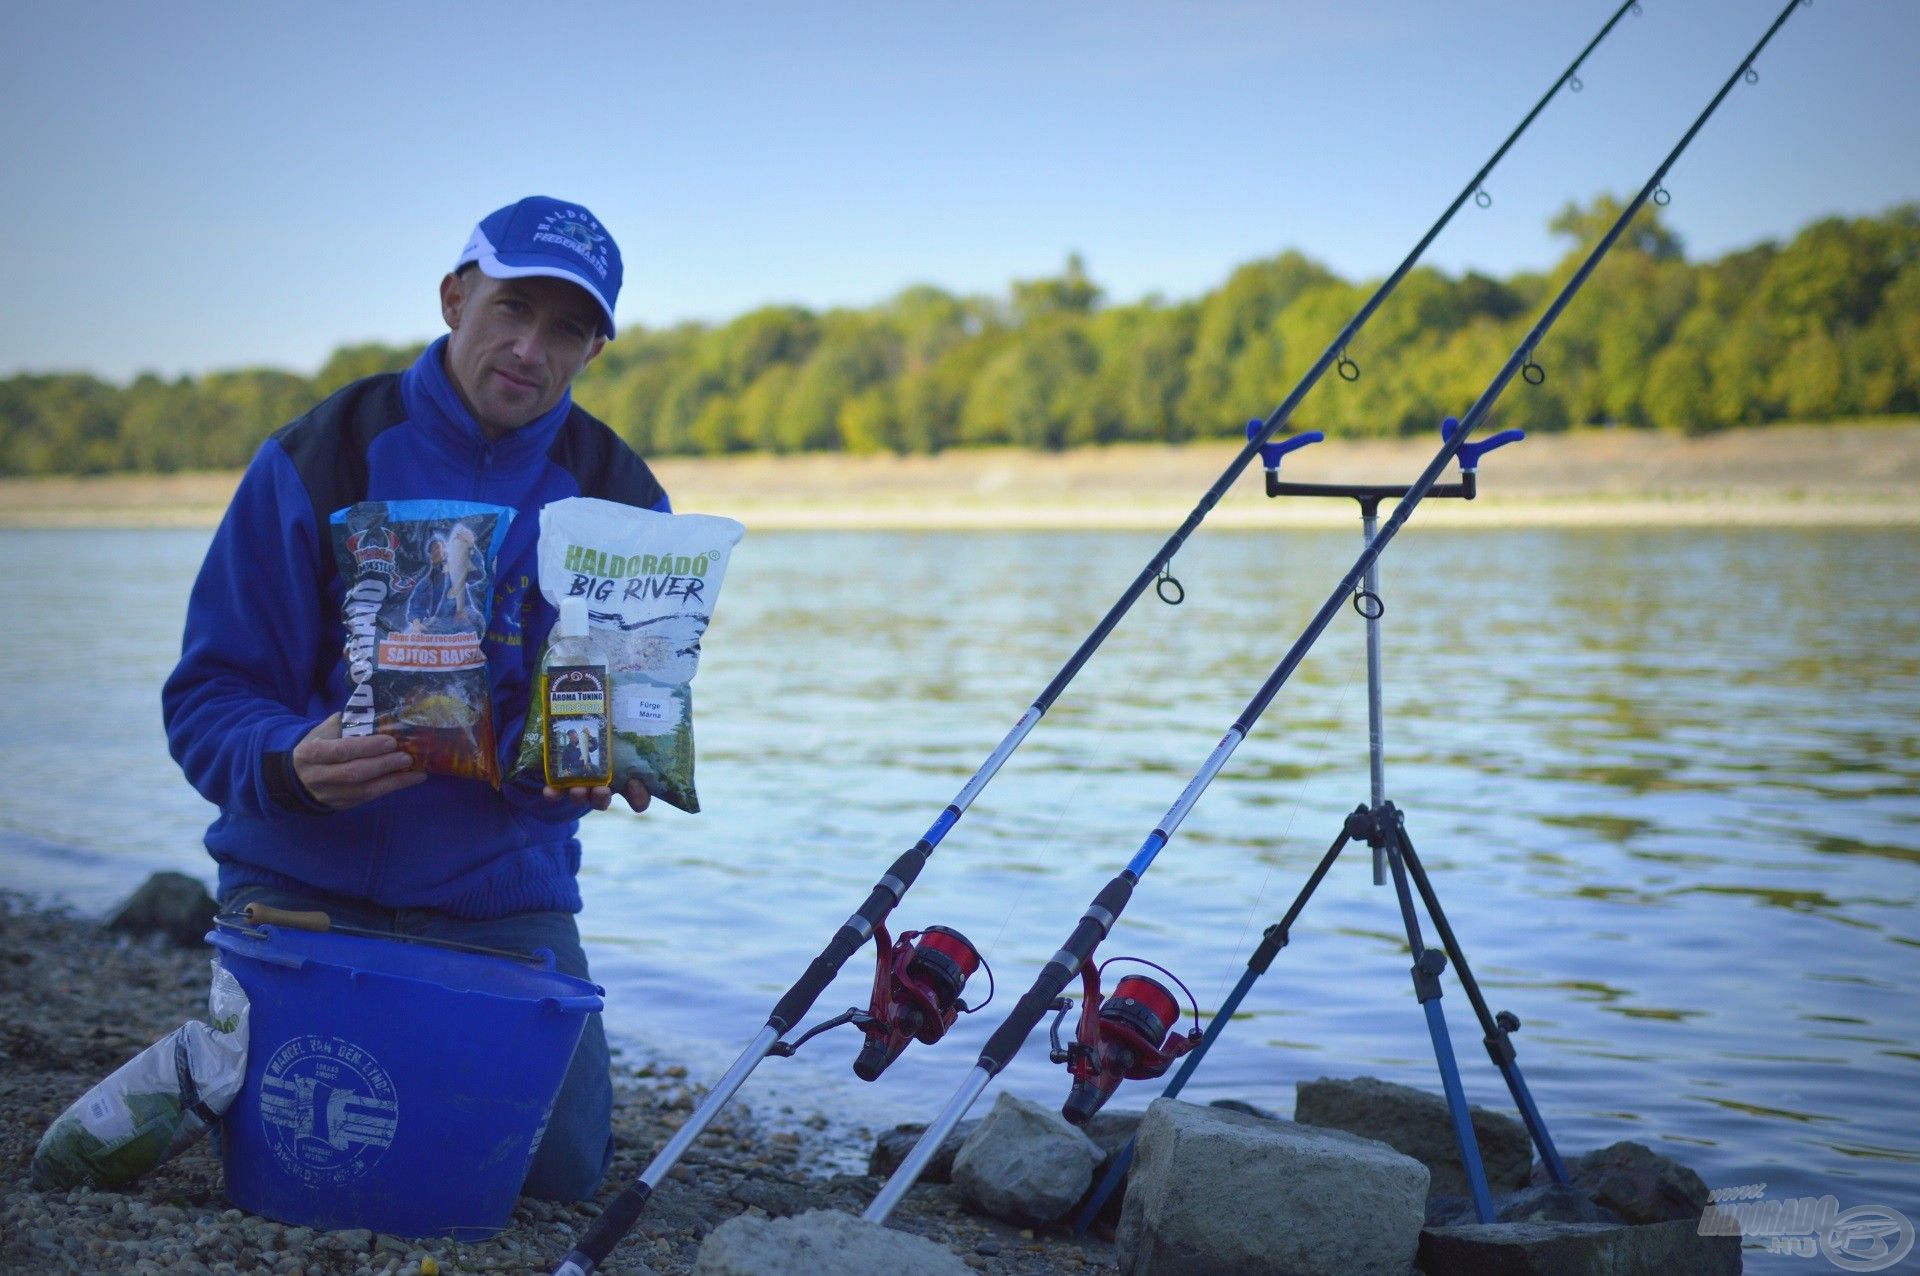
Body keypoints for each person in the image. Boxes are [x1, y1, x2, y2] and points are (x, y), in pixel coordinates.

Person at [162, 196, 664, 1202]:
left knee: (556, 1176)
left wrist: (577, 769)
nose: (531, 348)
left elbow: (598, 720)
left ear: (595, 348)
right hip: (299, 883)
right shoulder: (320, 452)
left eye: (569, 328)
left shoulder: (621, 501)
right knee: (304, 1167)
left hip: (500, 902)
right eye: (512, 309)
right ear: (453, 297)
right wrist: (288, 762)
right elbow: (208, 695)